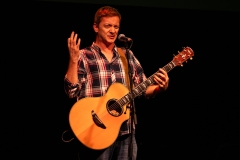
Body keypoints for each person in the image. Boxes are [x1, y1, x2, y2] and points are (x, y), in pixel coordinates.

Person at [64, 6, 169, 160]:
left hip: (126, 132)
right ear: (95, 27)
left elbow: (143, 87)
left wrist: (161, 87)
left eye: (116, 26)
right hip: (96, 132)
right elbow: (71, 91)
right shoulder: (84, 56)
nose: (113, 31)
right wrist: (73, 61)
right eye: (107, 26)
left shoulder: (126, 55)